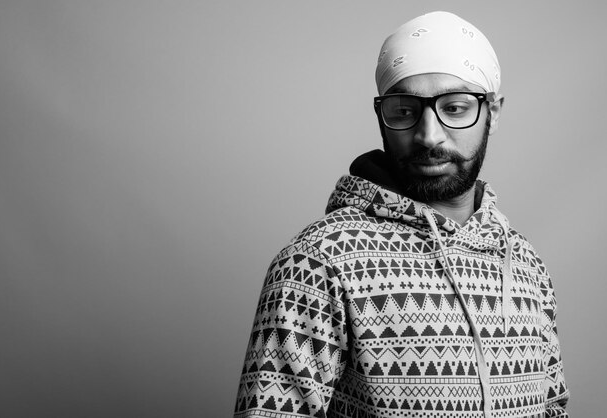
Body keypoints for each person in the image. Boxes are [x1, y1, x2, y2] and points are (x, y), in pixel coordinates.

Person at [234, 11, 569, 418]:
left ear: (492, 113)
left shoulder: (525, 265)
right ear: (381, 116)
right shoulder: (319, 261)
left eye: (457, 108)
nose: (429, 135)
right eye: (405, 111)